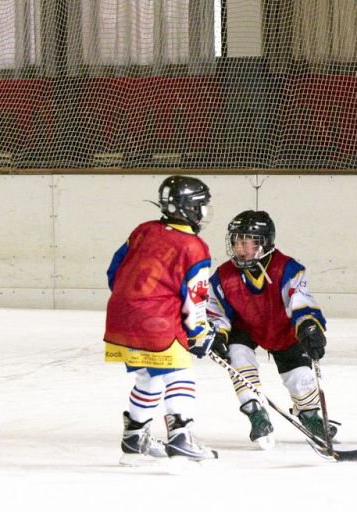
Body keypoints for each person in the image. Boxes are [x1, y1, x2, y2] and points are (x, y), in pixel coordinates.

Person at [104, 175, 219, 465]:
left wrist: (132, 302)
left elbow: (114, 271)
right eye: (202, 206)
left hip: (120, 317)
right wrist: (200, 334)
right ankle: (180, 436)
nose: (204, 212)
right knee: (180, 372)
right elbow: (196, 302)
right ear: (191, 209)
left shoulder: (143, 230)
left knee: (150, 374)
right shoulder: (195, 247)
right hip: (157, 321)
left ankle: (134, 437)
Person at [206, 210, 332, 449]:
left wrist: (309, 326)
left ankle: (309, 414)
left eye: (246, 242)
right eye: (236, 241)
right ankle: (256, 413)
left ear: (264, 244)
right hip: (246, 330)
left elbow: (301, 300)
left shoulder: (286, 268)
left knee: (301, 379)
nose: (239, 247)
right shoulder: (223, 276)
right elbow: (215, 310)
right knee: (237, 357)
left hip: (282, 330)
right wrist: (217, 334)